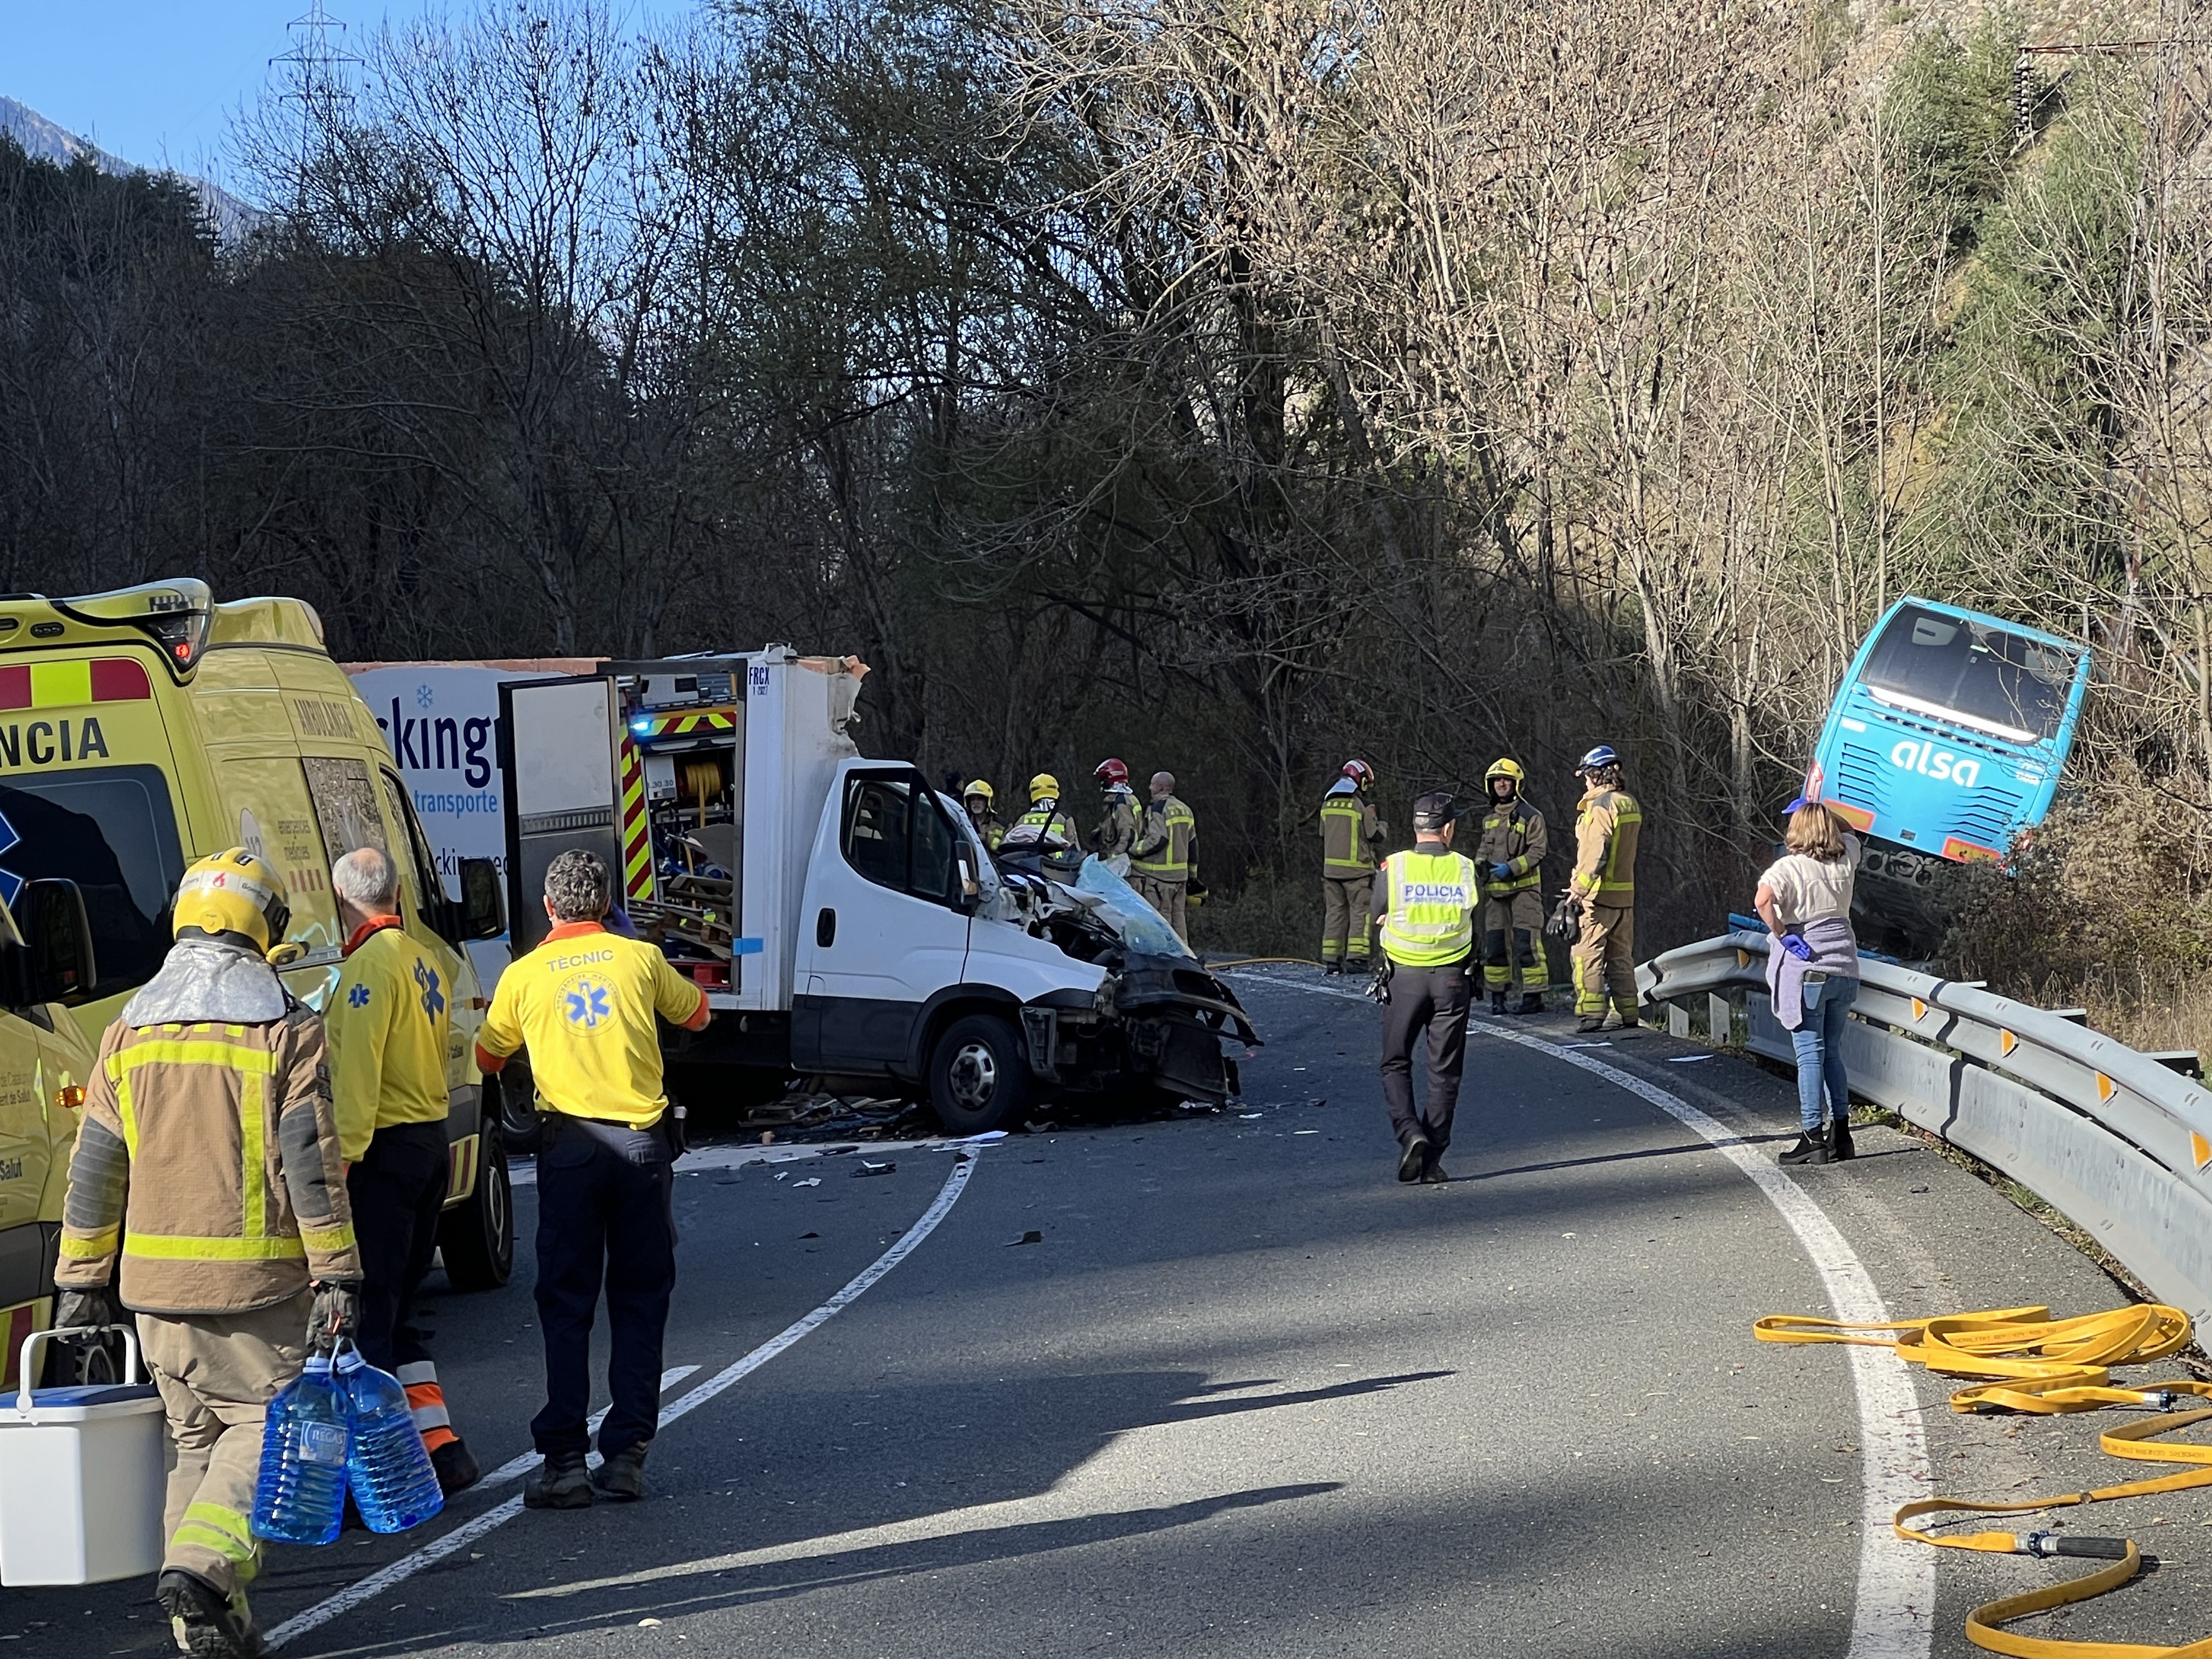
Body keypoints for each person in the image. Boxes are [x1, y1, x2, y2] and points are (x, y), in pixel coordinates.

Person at [53, 849, 360, 1659]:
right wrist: (336, 1271)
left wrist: (81, 1283)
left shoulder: (126, 1033)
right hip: (255, 1288)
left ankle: (208, 1624)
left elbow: (94, 1168)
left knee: (193, 1442)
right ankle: (201, 1568)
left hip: (155, 1297)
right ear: (265, 931)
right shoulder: (285, 1030)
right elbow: (312, 1163)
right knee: (267, 1430)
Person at [476, 849, 710, 1509]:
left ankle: (564, 1463)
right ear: (609, 904)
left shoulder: (525, 976)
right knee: (640, 1299)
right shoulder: (640, 960)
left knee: (566, 1304)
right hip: (641, 1148)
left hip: (570, 1151)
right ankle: (628, 1454)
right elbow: (698, 1016)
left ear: (548, 907)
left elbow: (487, 1056)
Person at [326, 847, 480, 1496]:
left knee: (369, 1319)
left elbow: (357, 1078)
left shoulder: (367, 970)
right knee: (400, 1309)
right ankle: (443, 1451)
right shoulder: (425, 958)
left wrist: (338, 1167)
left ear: (343, 898)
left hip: (383, 1155)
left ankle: (388, 1476)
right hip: (428, 1143)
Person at [1373, 792, 1479, 1184]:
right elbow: (1474, 921)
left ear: (1416, 827)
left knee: (1396, 1061)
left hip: (1404, 978)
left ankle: (1409, 1133)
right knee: (1445, 1070)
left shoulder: (1394, 867)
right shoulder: (1466, 868)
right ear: (1448, 829)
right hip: (1452, 978)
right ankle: (1432, 1160)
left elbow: (1376, 915)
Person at [1757, 801, 1863, 1165]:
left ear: (1795, 832)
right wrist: (1824, 811)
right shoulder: (1846, 859)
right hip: (1844, 969)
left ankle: (1811, 1136)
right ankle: (1842, 1135)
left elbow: (1764, 901)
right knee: (1832, 1052)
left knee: (1809, 1055)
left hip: (1809, 973)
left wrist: (1783, 933)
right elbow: (1849, 831)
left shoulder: (1787, 868)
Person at [1567, 744, 1643, 1034]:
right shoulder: (1629, 803)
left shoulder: (1600, 807)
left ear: (1597, 776)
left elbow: (1596, 851)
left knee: (1587, 955)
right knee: (1621, 956)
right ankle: (1628, 1012)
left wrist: (1578, 889)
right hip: (1625, 896)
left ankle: (1591, 1014)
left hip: (1598, 898)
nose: (1585, 782)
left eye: (1587, 776)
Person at [1475, 758, 1548, 1015]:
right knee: (1495, 946)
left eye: (1506, 780)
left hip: (1524, 892)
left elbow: (1539, 850)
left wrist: (1512, 867)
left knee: (1526, 944)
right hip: (1495, 893)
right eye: (1497, 781)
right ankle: (1498, 997)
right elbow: (1484, 849)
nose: (1501, 784)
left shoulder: (1531, 816)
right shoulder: (1490, 819)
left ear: (1516, 784)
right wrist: (1480, 865)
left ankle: (1533, 997)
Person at [1319, 759, 1386, 975]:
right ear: (1360, 780)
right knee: (1361, 913)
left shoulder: (1327, 803)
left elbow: (1323, 833)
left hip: (1331, 873)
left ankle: (1332, 960)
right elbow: (1374, 835)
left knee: (1334, 913)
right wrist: (1382, 824)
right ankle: (1356, 960)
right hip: (1358, 872)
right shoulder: (1361, 806)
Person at [1129, 770, 1197, 941]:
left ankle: (1165, 959)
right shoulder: (1186, 809)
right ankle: (1186, 957)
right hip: (1180, 878)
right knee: (1179, 918)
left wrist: (1134, 849)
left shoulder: (1158, 808)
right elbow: (1193, 844)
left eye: (1152, 784)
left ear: (1161, 787)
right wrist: (1193, 876)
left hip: (1160, 878)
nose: (1149, 788)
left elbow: (1158, 839)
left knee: (1162, 919)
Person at [1090, 758, 1139, 872]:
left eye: (1103, 779)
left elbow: (1127, 835)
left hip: (1124, 866)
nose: (1101, 783)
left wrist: (1114, 860)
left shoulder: (1121, 803)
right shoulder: (1129, 799)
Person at [1014, 774, 1083, 851]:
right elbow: (1074, 850)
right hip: (1057, 862)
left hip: (1027, 862)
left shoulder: (1022, 820)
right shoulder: (1065, 819)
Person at [962, 780, 1006, 851]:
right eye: (973, 799)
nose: (976, 803)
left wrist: (987, 839)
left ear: (988, 802)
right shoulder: (964, 823)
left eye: (980, 799)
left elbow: (1007, 848)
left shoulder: (1003, 826)